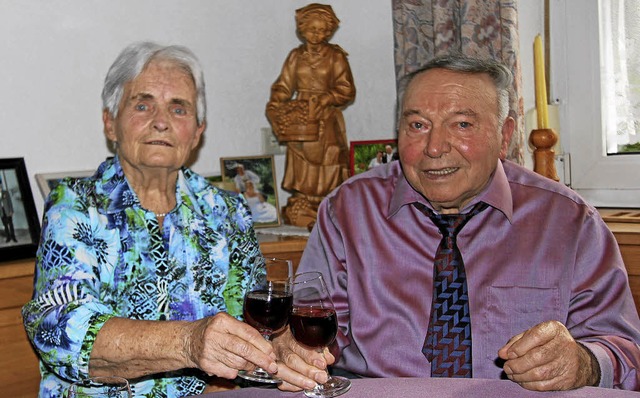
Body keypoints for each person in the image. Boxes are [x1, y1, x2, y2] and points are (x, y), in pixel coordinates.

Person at [273, 54, 640, 392]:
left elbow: (624, 350)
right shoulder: (349, 209)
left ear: (505, 135)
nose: (435, 147)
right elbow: (316, 330)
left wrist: (583, 363)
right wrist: (296, 348)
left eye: (462, 124)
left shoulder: (568, 221)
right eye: (418, 124)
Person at [22, 42, 278, 398]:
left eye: (179, 108)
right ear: (110, 123)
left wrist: (283, 350)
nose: (161, 121)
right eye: (142, 105)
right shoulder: (76, 206)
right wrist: (189, 341)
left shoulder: (228, 212)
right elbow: (60, 326)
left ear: (198, 131)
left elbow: (254, 327)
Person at [266, 3, 356, 228]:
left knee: (329, 160)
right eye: (312, 29)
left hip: (326, 117)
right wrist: (276, 105)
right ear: (302, 29)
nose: (317, 34)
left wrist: (326, 98)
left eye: (322, 30)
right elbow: (284, 86)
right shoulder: (295, 57)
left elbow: (347, 90)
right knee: (302, 164)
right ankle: (304, 204)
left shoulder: (335, 57)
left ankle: (327, 204)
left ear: (328, 31)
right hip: (302, 118)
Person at [0, 177, 17, 243]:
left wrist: (11, 211)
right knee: (5, 225)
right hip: (2, 212)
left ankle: (13, 237)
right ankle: (8, 238)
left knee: (11, 224)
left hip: (8, 211)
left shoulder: (5, 192)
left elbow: (9, 202)